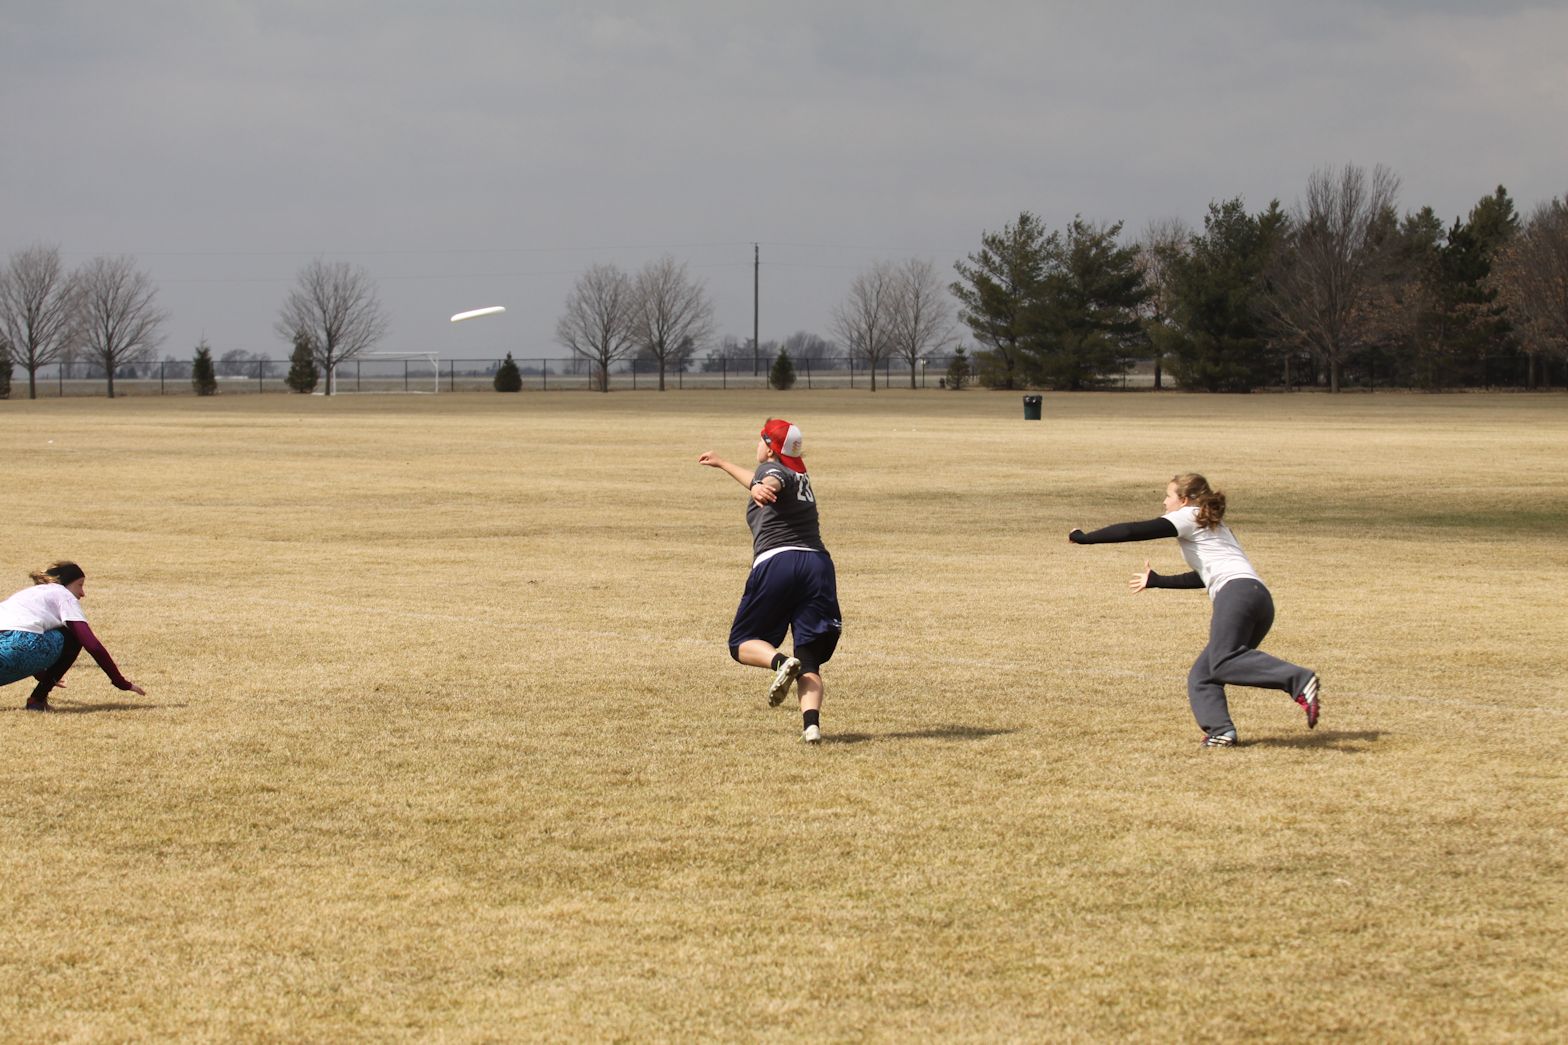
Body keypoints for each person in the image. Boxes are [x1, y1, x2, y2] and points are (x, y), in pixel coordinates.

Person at [1068, 474, 1319, 747]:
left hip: (1236, 595)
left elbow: (1133, 531)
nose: (1164, 502)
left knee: (1223, 661)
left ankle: (1298, 679)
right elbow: (1204, 576)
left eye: (1168, 496)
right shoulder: (1213, 524)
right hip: (1257, 598)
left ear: (1184, 499)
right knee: (1204, 675)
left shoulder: (1188, 515)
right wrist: (1158, 581)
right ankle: (1220, 732)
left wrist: (1086, 538)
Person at [699, 418, 841, 744]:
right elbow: (762, 479)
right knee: (809, 659)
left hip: (779, 562)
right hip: (817, 565)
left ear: (770, 448)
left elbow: (769, 479)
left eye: (761, 439)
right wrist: (723, 464)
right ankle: (811, 727)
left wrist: (762, 488)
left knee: (741, 643)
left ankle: (781, 662)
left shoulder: (772, 471)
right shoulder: (800, 476)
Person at [0, 561, 146, 711]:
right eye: (80, 585)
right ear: (65, 583)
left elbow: (15, 632)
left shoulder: (25, 595)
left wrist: (42, 674)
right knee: (73, 635)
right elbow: (92, 645)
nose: (82, 593)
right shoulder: (62, 593)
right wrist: (120, 682)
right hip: (19, 649)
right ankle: (37, 700)